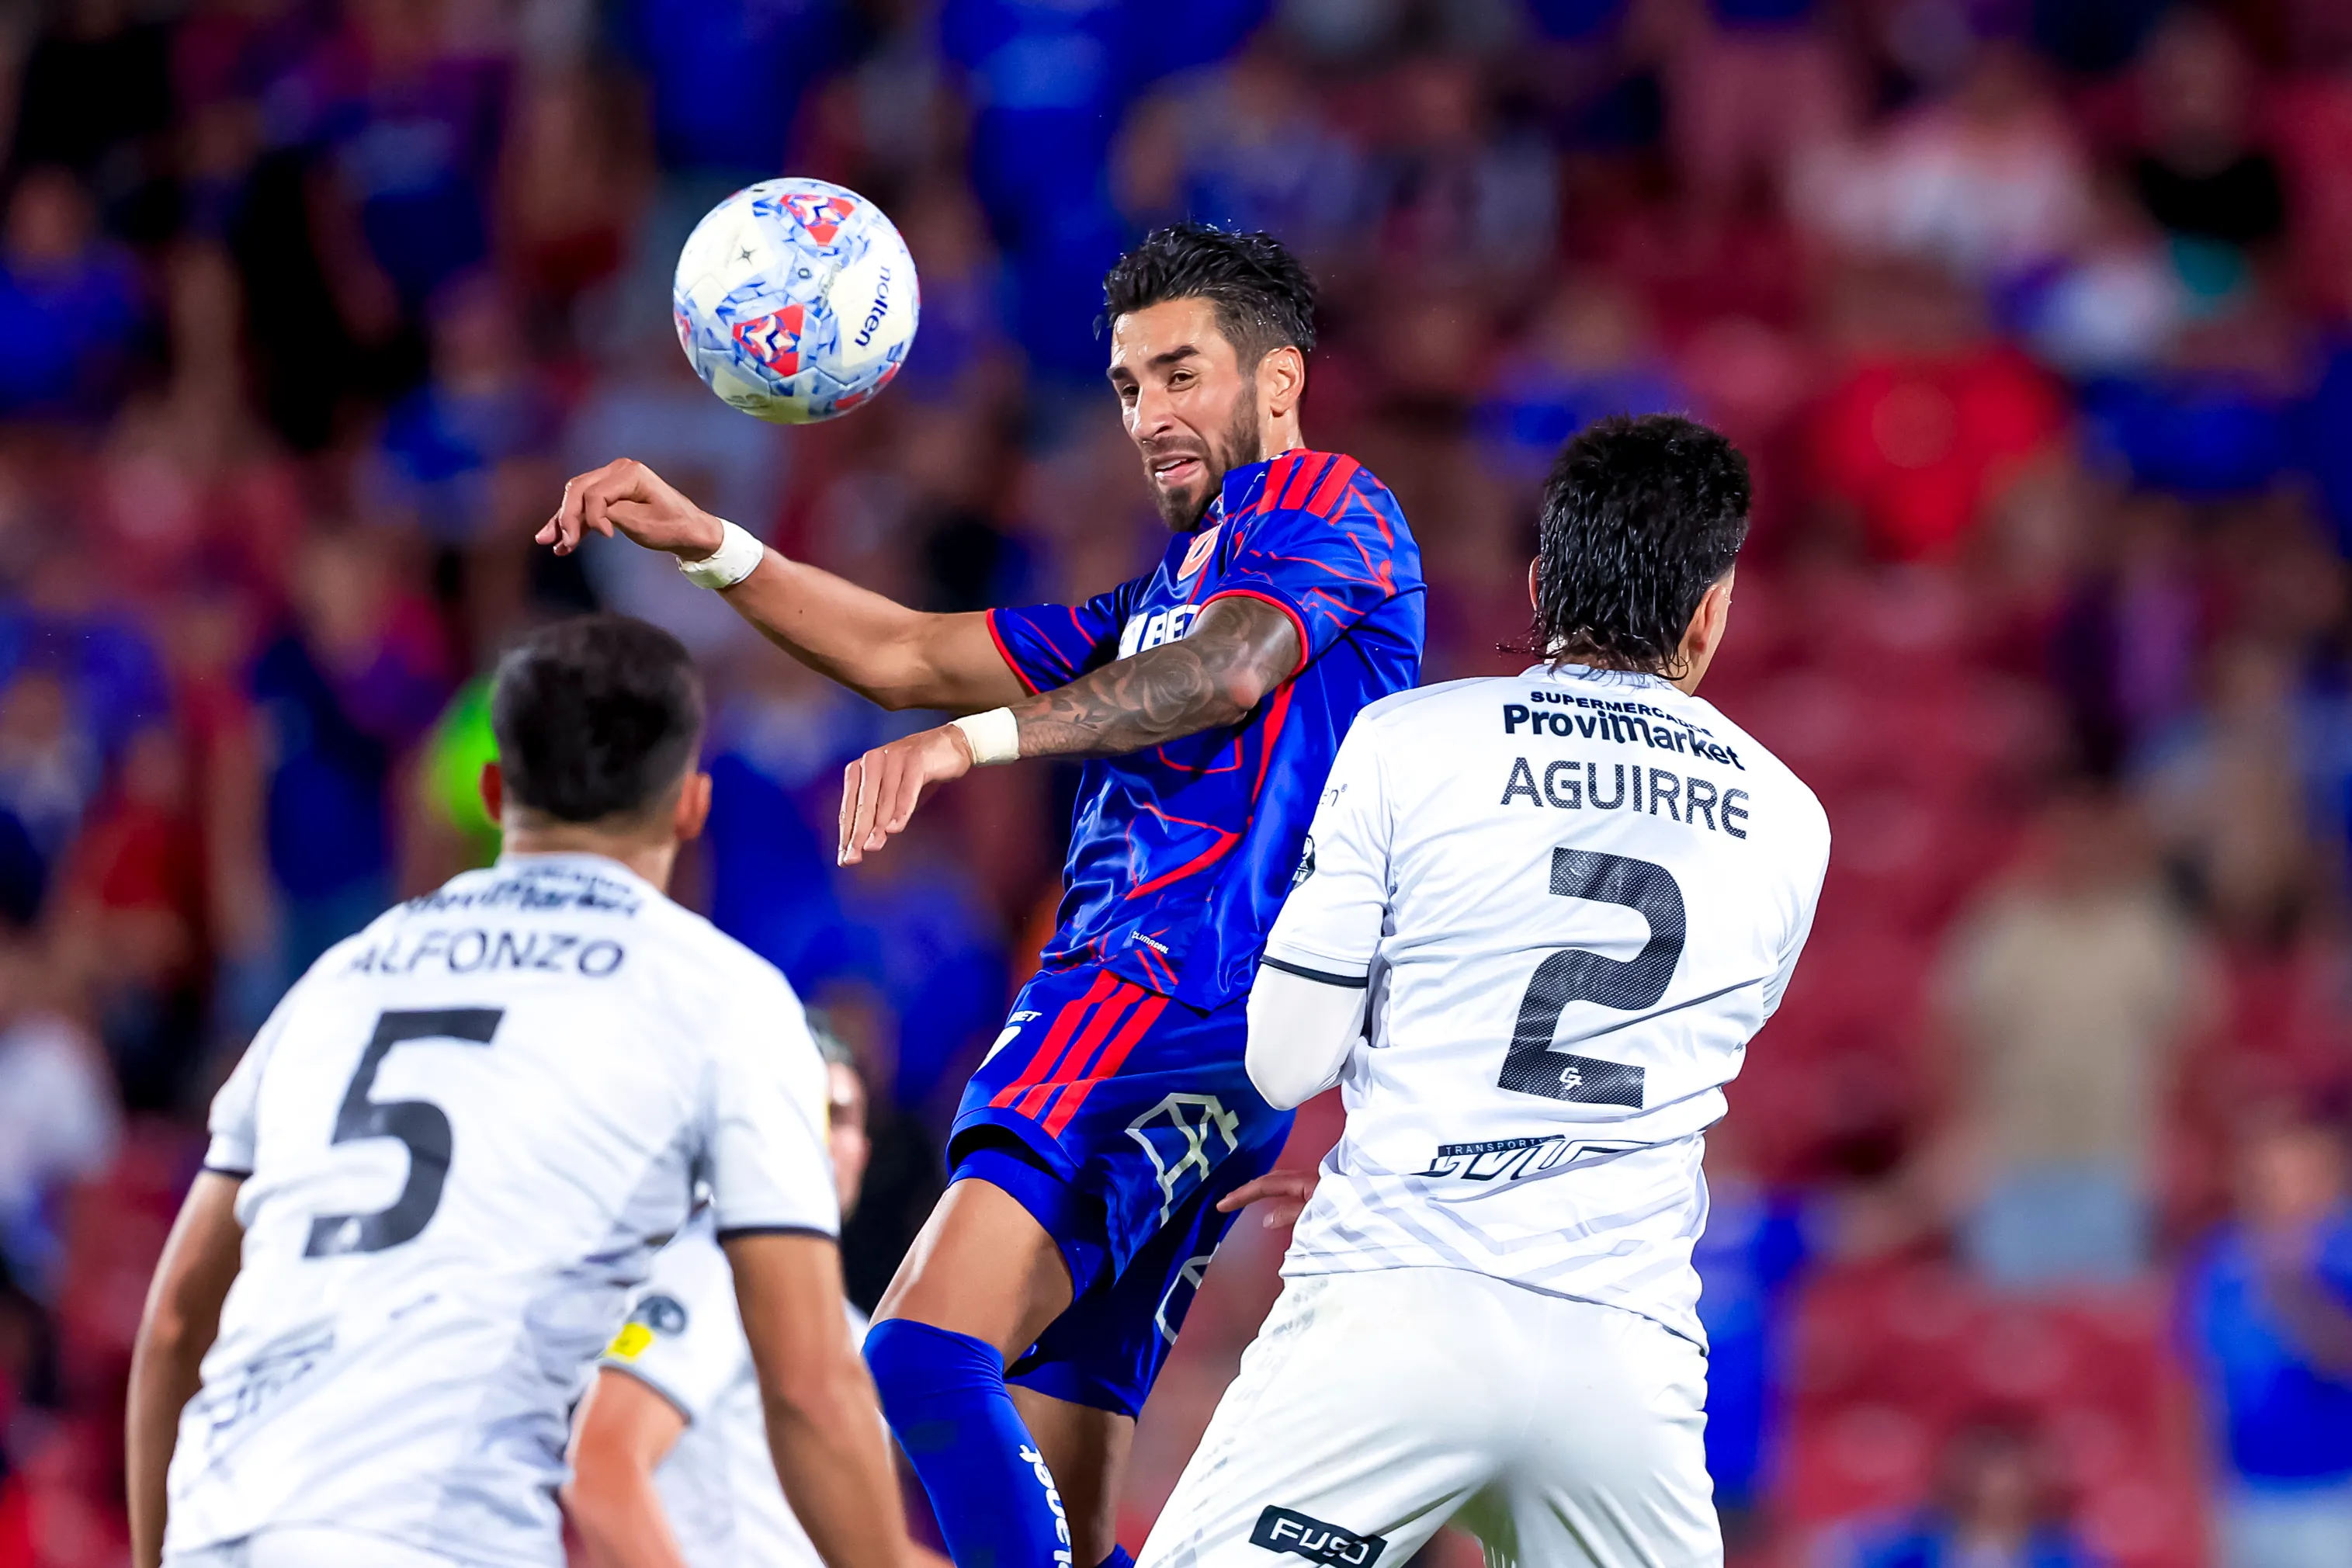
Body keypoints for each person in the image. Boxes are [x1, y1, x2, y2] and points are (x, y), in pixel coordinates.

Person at [540, 223, 1426, 1568]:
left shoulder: (1323, 511)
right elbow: (904, 652)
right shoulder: (1166, 591)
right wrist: (713, 546)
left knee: (919, 1355)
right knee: (1058, 1483)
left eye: (1182, 375)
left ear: (1281, 381)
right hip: (1229, 1037)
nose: (1150, 418)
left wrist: (976, 743)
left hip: (1151, 987)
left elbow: (1229, 674)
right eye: (1130, 388)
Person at [1138, 414, 1830, 1568]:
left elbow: (1285, 1061)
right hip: (1622, 1355)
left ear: (1534, 585)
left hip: (1400, 1307)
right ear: (1710, 611)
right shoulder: (1790, 817)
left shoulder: (1409, 742)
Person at [123, 616, 914, 1568]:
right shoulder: (724, 997)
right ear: (692, 806)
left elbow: (174, 1321)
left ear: (496, 794)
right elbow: (807, 1386)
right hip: (436, 1533)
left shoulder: (341, 976)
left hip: (223, 1519)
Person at [567, 1026, 949, 1568]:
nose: (822, 1140)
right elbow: (600, 1468)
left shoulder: (853, 1329)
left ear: (865, 1150)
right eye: (803, 1113)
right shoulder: (714, 1269)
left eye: (839, 1118)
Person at [2183, 1108, 2352, 1568]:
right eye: (2263, 1174)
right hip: (2244, 1497)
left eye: (2292, 1173)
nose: (2275, 1189)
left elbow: (2341, 1358)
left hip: (2335, 1497)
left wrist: (2290, 1288)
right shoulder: (2216, 1259)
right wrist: (2200, 1494)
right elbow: (2198, 1381)